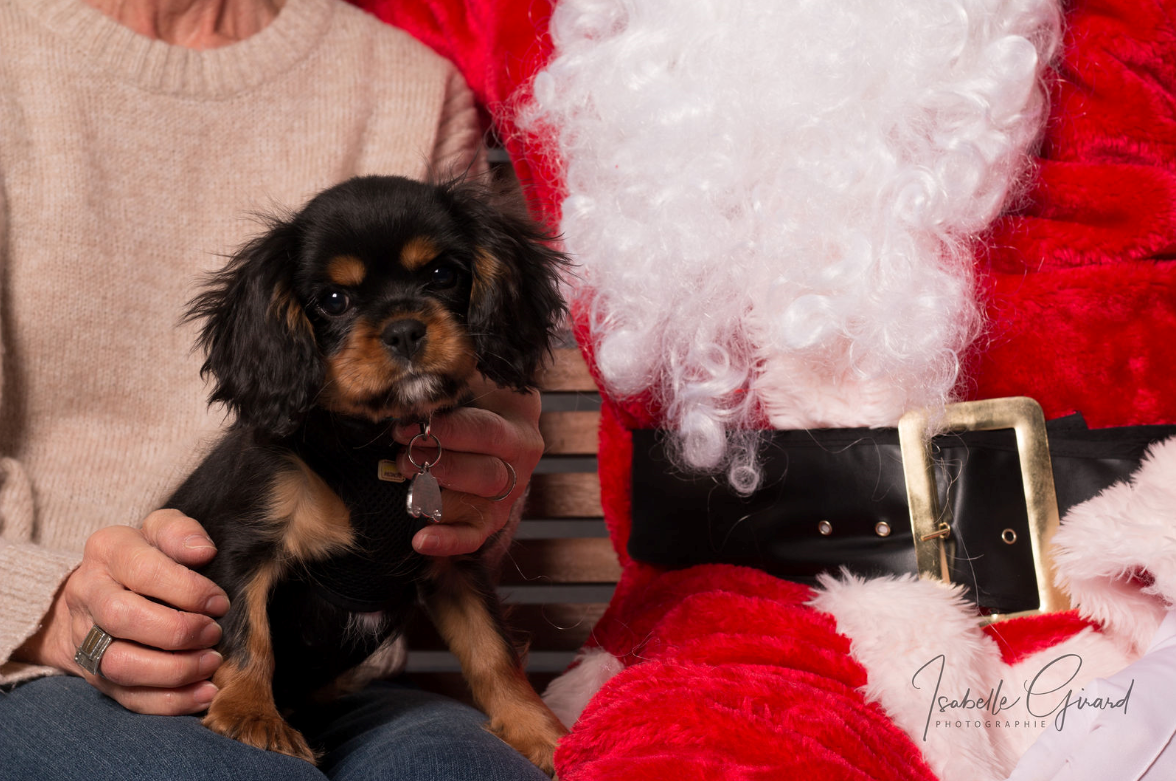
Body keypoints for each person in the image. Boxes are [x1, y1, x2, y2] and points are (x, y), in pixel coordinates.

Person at [0, 0, 549, 779]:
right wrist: (47, 611)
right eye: (338, 299)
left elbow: (473, 442)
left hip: (350, 678)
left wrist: (491, 470)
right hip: (39, 666)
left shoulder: (410, 82)